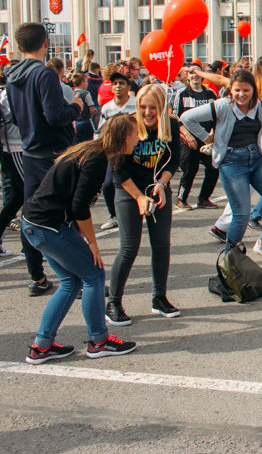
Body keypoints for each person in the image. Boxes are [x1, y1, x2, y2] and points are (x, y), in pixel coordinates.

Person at [21, 114, 139, 363]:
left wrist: (81, 240)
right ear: (123, 137)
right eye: (135, 134)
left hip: (36, 224)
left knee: (70, 281)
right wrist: (92, 244)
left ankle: (42, 347)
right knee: (94, 275)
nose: (138, 139)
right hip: (46, 226)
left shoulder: (92, 152)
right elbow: (79, 206)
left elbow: (72, 201)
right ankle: (99, 341)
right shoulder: (96, 159)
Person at [180, 68, 262, 264]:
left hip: (256, 159)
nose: (241, 95)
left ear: (253, 89)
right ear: (230, 90)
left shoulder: (261, 108)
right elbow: (187, 117)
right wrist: (207, 138)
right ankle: (230, 260)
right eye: (237, 90)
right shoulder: (222, 105)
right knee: (241, 214)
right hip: (231, 162)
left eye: (246, 90)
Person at [6, 23, 86, 297]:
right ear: (45, 43)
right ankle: (80, 277)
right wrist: (76, 105)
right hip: (53, 153)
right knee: (66, 214)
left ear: (19, 47)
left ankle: (37, 277)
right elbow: (55, 116)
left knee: (32, 215)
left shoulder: (11, 75)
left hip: (29, 152)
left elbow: (16, 117)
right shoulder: (44, 74)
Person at [106, 84, 182, 326]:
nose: (147, 112)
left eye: (152, 107)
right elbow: (117, 169)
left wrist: (161, 184)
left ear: (161, 107)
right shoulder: (126, 125)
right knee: (129, 247)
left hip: (157, 188)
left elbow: (174, 159)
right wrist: (138, 197)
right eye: (142, 107)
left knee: (161, 245)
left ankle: (159, 298)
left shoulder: (171, 124)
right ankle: (113, 302)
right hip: (129, 190)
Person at [171, 69, 219, 210]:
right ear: (187, 76)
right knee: (190, 170)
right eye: (191, 72)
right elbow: (176, 119)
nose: (195, 75)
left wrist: (211, 135)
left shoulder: (211, 94)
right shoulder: (181, 94)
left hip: (208, 139)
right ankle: (181, 199)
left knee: (213, 168)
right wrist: (188, 136)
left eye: (197, 71)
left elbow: (217, 116)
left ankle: (204, 198)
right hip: (189, 140)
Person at [96, 73, 137, 231]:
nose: (118, 86)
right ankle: (114, 216)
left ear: (128, 87)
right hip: (114, 152)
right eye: (114, 83)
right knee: (108, 185)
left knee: (134, 182)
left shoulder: (136, 104)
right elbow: (101, 130)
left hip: (134, 150)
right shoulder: (107, 107)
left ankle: (136, 212)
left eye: (121, 83)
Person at [0, 67, 24, 255]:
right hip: (16, 148)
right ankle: (30, 247)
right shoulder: (8, 95)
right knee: (32, 196)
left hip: (18, 148)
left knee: (17, 198)